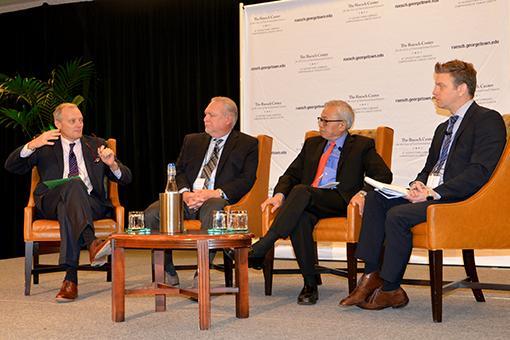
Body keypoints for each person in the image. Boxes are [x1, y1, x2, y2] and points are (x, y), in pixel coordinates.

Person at [339, 60, 507, 310]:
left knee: (397, 215)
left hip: (461, 200)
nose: (434, 92)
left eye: (440, 85)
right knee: (375, 198)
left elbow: (479, 172)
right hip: (432, 194)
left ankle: (391, 288)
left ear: (461, 89)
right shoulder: (443, 128)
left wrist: (435, 193)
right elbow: (429, 168)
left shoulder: (487, 120)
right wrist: (418, 185)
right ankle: (372, 274)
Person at [248, 100, 392, 305]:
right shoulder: (313, 144)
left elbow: (383, 175)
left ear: (342, 125)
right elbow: (290, 175)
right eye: (320, 119)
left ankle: (263, 245)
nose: (320, 124)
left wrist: (363, 193)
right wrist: (279, 195)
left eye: (325, 120)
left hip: (339, 200)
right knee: (301, 218)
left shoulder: (361, 145)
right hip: (308, 200)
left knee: (301, 191)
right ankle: (309, 285)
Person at [5, 102, 132, 302]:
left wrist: (112, 164)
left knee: (69, 203)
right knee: (72, 185)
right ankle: (92, 243)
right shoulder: (46, 144)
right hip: (51, 201)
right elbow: (11, 165)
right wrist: (32, 145)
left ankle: (70, 279)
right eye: (72, 121)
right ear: (58, 124)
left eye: (80, 120)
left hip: (90, 203)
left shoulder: (96, 144)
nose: (79, 124)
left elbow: (126, 178)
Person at [144, 96, 258, 286]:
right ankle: (167, 270)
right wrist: (185, 192)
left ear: (228, 119)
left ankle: (202, 271)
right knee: (152, 214)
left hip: (215, 198)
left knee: (213, 211)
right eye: (205, 114)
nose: (205, 118)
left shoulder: (247, 144)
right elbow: (178, 171)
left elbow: (246, 180)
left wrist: (214, 193)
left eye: (211, 115)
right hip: (187, 197)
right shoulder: (192, 140)